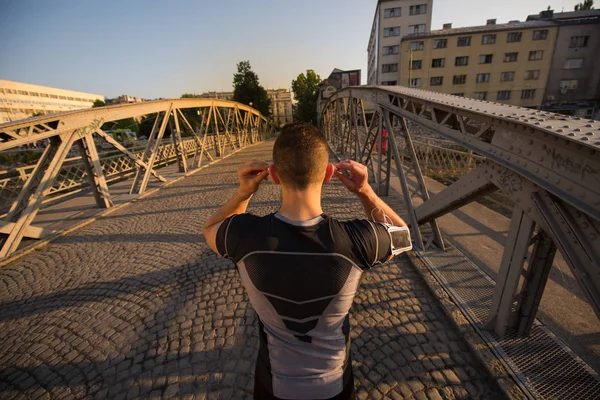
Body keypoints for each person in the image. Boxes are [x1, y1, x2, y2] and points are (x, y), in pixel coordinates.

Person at [202, 122, 408, 400]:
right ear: (328, 174)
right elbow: (403, 236)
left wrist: (243, 193)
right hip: (335, 387)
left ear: (273, 176)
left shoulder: (245, 235)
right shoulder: (357, 239)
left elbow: (211, 227)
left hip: (273, 387)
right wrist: (365, 190)